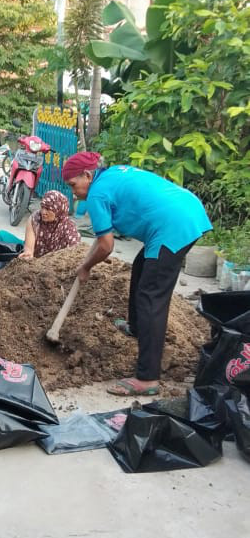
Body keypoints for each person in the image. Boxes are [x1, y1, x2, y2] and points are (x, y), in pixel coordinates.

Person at [62, 151, 212, 396]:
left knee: (151, 297)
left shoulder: (97, 193)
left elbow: (106, 246)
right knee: (141, 267)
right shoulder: (110, 175)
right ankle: (137, 327)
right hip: (184, 210)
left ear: (87, 175)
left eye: (73, 185)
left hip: (173, 225)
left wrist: (86, 267)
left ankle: (147, 378)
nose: (73, 192)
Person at [17, 191, 80, 260]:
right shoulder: (35, 218)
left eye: (48, 209)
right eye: (42, 207)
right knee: (3, 235)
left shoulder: (69, 227)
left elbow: (74, 252)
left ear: (58, 210)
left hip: (55, 264)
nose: (43, 212)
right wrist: (28, 254)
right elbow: (29, 248)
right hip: (35, 261)